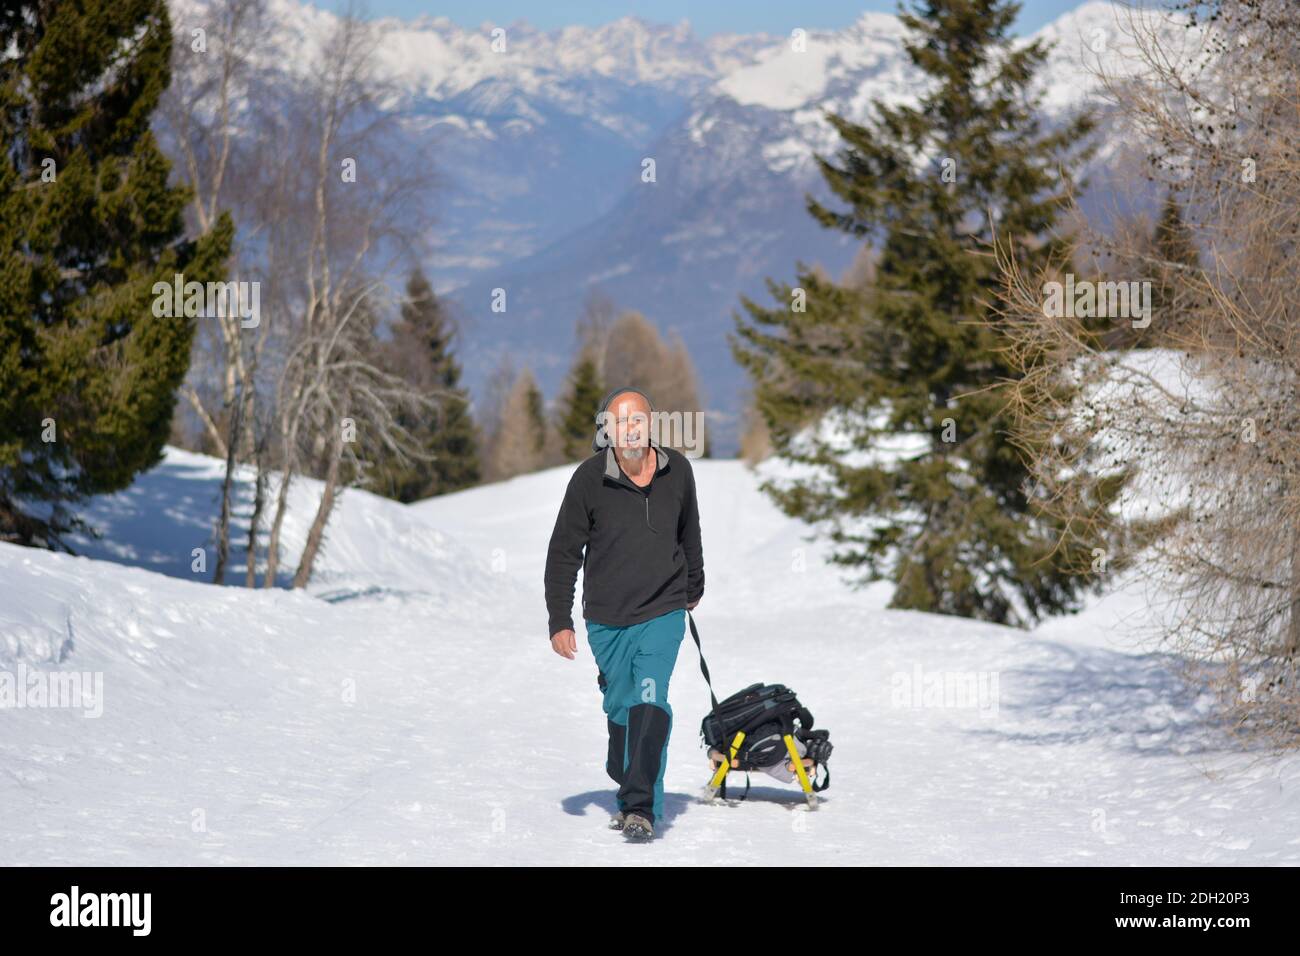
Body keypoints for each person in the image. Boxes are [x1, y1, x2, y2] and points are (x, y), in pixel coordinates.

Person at [544, 387, 704, 842]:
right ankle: (624, 772)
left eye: (638, 421)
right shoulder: (589, 480)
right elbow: (563, 554)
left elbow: (689, 532)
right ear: (607, 429)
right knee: (621, 706)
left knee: (651, 699)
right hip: (607, 618)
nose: (630, 429)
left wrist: (694, 587)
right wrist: (560, 619)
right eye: (620, 422)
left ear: (650, 424)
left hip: (663, 609)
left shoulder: (678, 470)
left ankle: (640, 809)